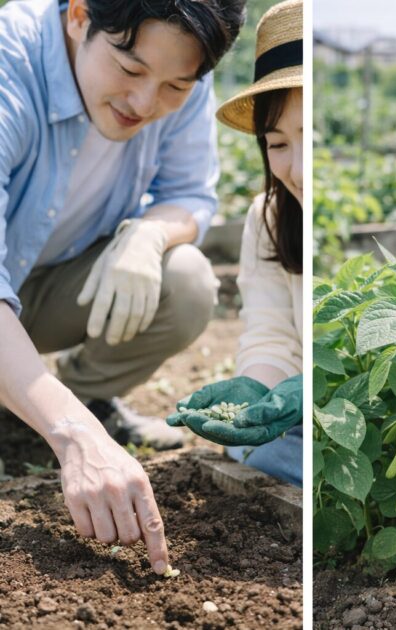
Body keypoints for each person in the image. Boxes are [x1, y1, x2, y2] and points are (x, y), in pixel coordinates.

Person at [0, 0, 245, 576]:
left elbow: (190, 194)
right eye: (131, 69)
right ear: (79, 16)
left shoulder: (182, 72)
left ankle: (65, 402)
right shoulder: (10, 66)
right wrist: (73, 436)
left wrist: (148, 236)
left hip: (42, 288)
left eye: (175, 86)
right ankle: (55, 413)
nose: (145, 103)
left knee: (184, 279)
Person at [167, 0, 302, 488]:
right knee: (247, 442)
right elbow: (273, 333)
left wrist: (316, 389)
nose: (297, 170)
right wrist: (259, 386)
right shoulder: (269, 216)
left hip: (353, 414)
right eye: (278, 144)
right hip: (306, 420)